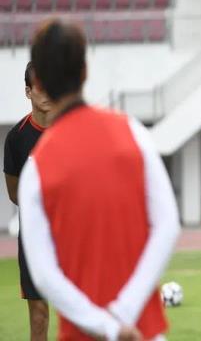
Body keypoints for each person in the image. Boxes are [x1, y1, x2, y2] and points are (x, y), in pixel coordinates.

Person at [18, 19, 180, 341]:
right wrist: (123, 312)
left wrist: (105, 325)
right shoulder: (132, 132)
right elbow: (167, 226)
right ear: (85, 71)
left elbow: (45, 276)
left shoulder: (35, 170)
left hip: (83, 333)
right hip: (142, 329)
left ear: (37, 80)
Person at [3, 61, 52, 341]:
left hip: (73, 237)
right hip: (35, 240)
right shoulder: (16, 138)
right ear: (28, 92)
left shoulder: (71, 131)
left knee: (83, 314)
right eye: (40, 88)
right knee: (39, 315)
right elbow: (14, 193)